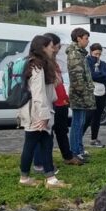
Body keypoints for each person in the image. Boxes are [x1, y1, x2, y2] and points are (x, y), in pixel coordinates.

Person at [19, 35, 70, 189]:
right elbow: (39, 93)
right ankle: (27, 178)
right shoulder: (37, 67)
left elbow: (50, 89)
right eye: (50, 46)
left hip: (38, 111)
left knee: (45, 143)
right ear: (43, 48)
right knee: (32, 144)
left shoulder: (39, 65)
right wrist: (44, 116)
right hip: (37, 113)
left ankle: (49, 178)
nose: (52, 48)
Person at [40, 33, 82, 166]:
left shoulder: (54, 62)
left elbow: (59, 83)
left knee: (62, 131)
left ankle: (67, 156)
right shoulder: (43, 63)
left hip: (61, 102)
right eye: (55, 46)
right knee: (48, 134)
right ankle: (45, 160)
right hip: (52, 103)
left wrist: (65, 97)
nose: (56, 50)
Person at [67, 27, 95, 163]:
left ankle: (79, 149)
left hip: (83, 94)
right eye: (86, 38)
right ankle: (75, 151)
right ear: (78, 38)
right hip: (79, 95)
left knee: (80, 122)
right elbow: (77, 78)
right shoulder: (74, 54)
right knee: (77, 124)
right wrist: (85, 95)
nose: (88, 41)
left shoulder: (80, 53)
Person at [83, 43, 106, 148]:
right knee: (88, 117)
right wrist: (100, 76)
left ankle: (94, 139)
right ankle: (78, 139)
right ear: (91, 52)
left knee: (97, 117)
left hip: (102, 93)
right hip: (91, 93)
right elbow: (90, 75)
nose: (97, 56)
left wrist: (99, 76)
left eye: (99, 54)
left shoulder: (103, 64)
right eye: (95, 54)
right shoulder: (87, 61)